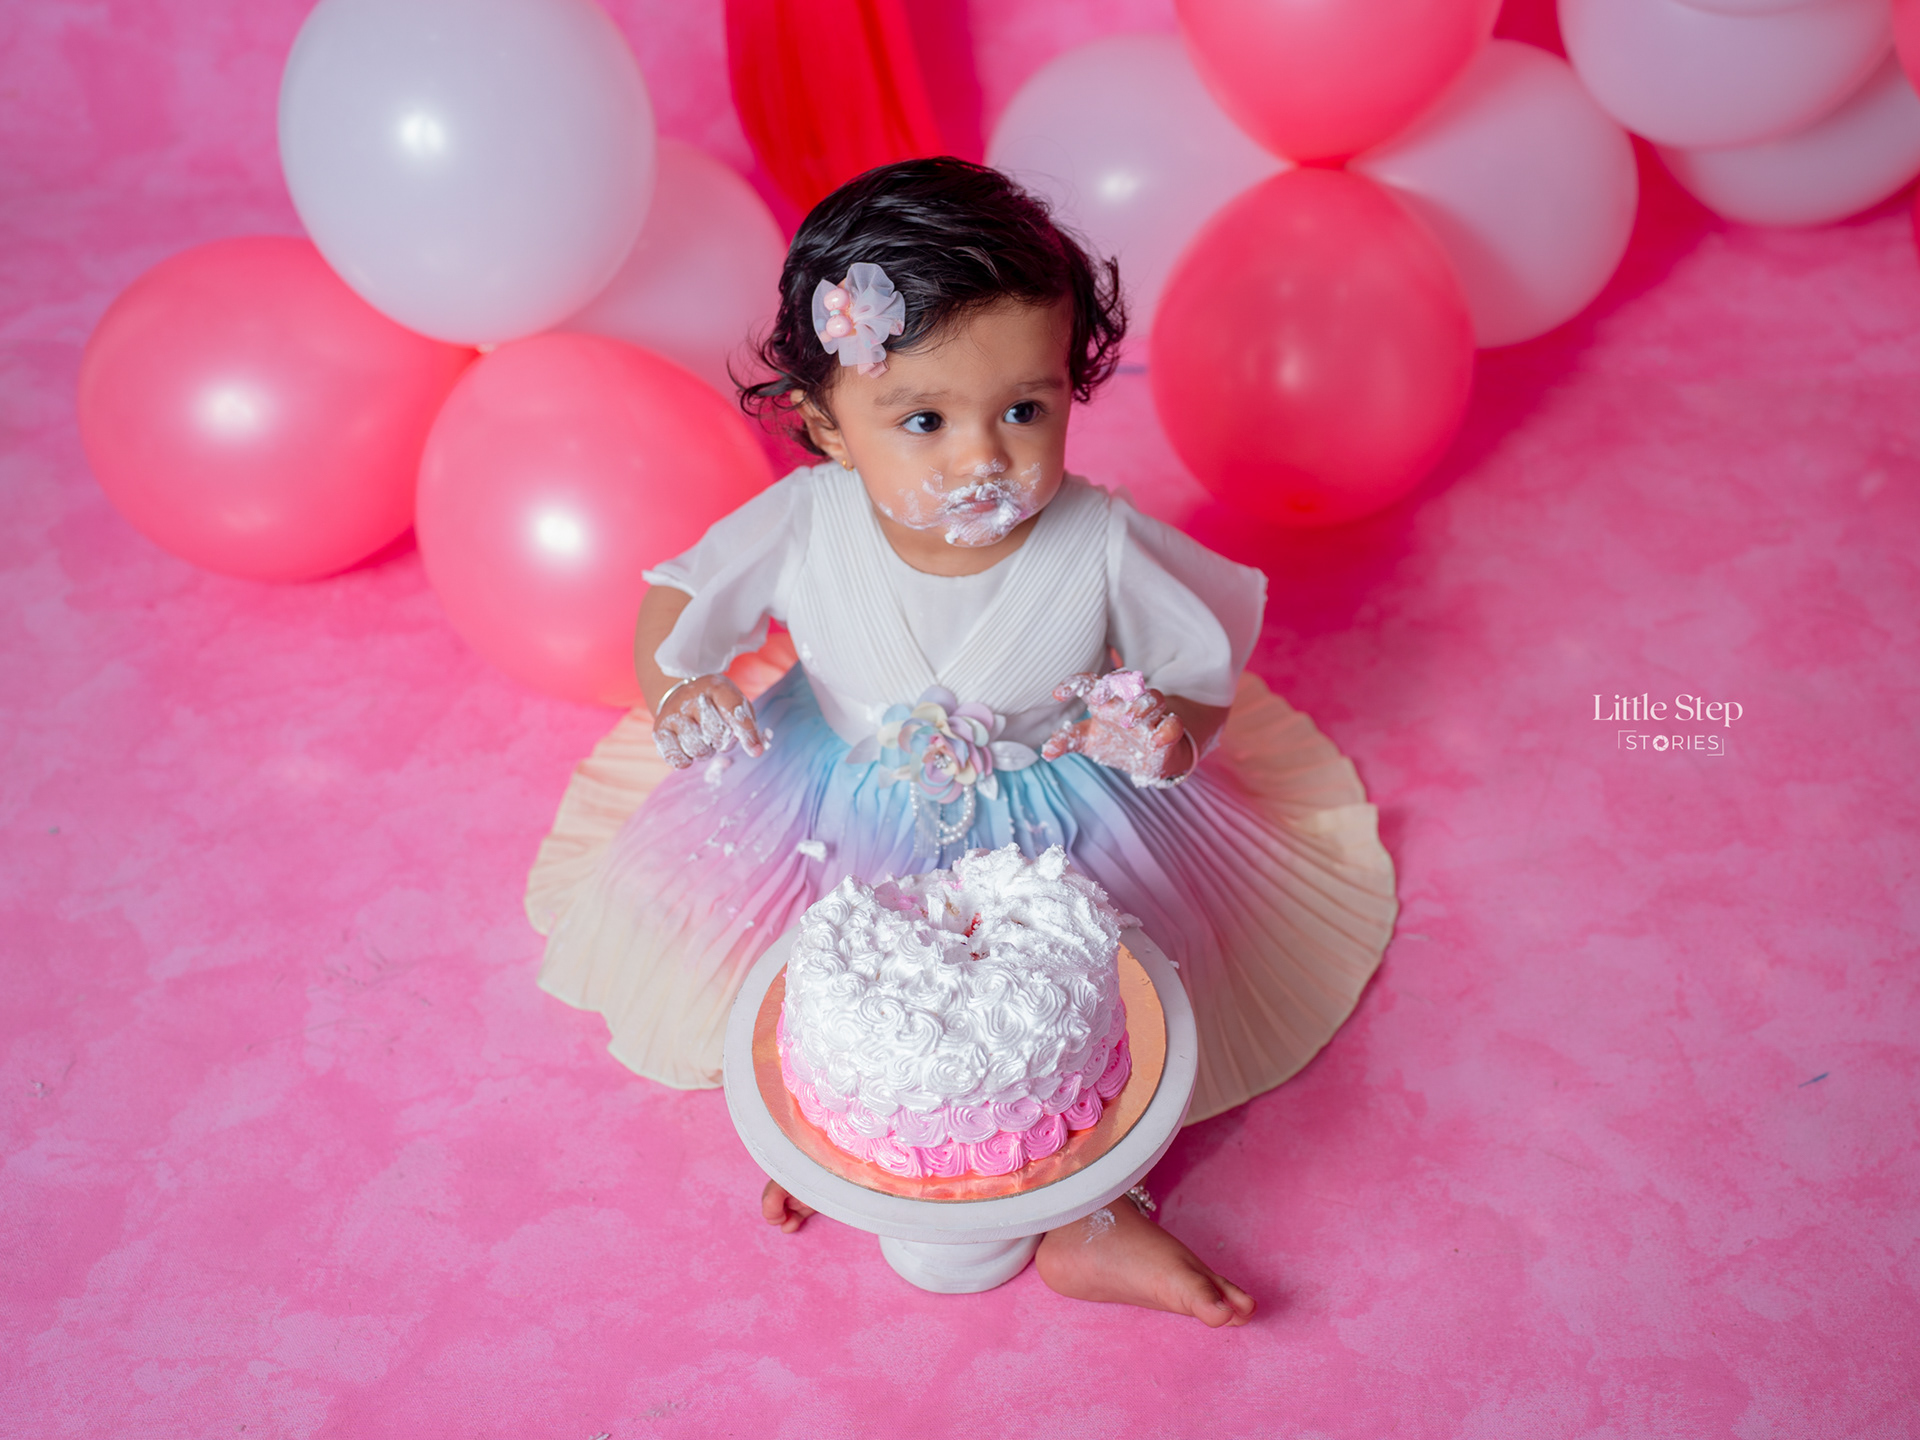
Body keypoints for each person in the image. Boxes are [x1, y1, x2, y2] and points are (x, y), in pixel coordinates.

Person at [525, 157, 1397, 1327]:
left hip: (1063, 815)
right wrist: (680, 687)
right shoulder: (806, 521)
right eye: (925, 420)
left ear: (1071, 392)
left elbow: (1195, 674)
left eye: (1024, 411)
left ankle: (1095, 1215)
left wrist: (1167, 737)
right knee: (827, 1000)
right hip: (835, 809)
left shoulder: (1098, 537)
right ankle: (835, 1137)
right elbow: (680, 601)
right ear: (828, 424)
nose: (982, 458)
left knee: (1083, 1022)